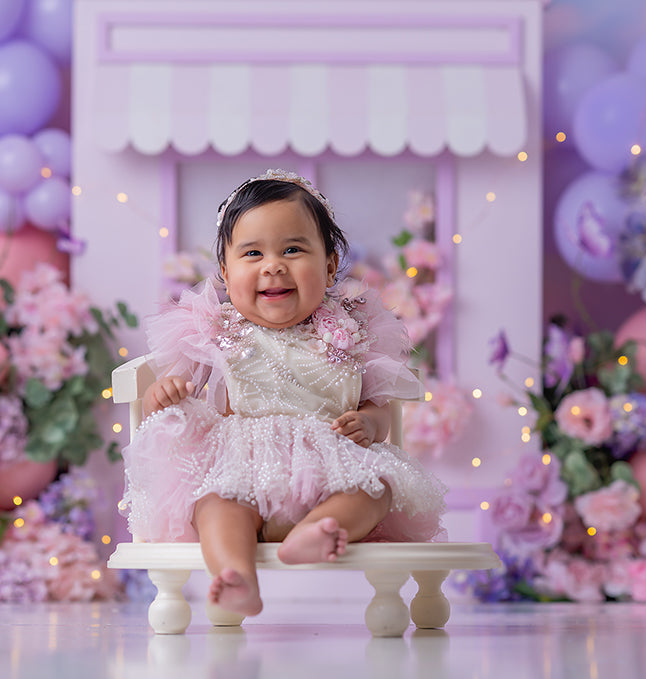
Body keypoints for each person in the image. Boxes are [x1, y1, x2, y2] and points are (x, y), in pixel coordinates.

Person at [120, 169, 446, 617]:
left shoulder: (354, 330)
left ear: (330, 264)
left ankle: (315, 531)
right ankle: (234, 575)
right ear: (225, 271)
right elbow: (178, 396)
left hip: (332, 467)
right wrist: (167, 392)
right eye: (252, 253)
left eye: (293, 249)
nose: (273, 265)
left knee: (377, 488)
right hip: (240, 468)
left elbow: (379, 405)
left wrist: (370, 423)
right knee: (213, 503)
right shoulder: (214, 331)